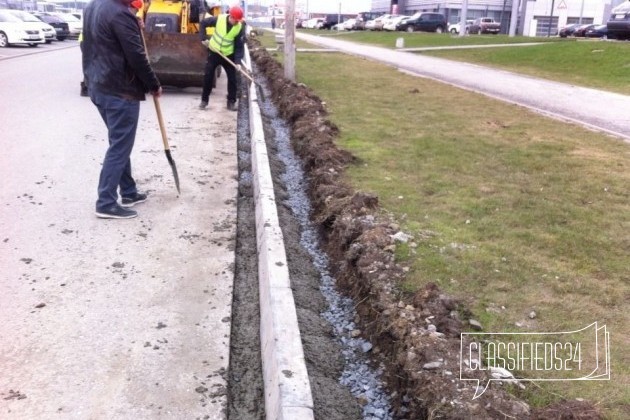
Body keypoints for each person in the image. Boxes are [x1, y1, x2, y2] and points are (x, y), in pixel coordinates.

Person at [82, 0, 162, 219]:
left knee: (119, 143)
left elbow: (99, 42)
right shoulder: (120, 15)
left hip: (98, 86)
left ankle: (128, 191)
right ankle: (105, 202)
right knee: (119, 146)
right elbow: (136, 56)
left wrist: (133, 25)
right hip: (119, 90)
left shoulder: (92, 6)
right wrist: (153, 84)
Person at [198, 6, 246, 111]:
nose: (237, 22)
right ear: (231, 17)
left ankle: (231, 102)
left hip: (228, 55)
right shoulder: (219, 19)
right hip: (214, 52)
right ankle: (204, 100)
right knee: (208, 76)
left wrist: (238, 62)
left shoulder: (239, 27)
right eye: (236, 20)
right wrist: (203, 38)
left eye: (238, 21)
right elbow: (203, 23)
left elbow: (239, 46)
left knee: (232, 78)